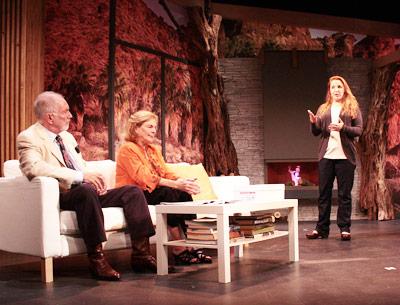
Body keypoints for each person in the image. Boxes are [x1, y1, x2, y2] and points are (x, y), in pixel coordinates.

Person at [16, 91, 157, 281]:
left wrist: (93, 178)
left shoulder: (67, 137)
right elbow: (33, 167)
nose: (70, 115)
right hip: (61, 193)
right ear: (50, 117)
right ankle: (97, 259)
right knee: (85, 190)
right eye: (65, 111)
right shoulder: (29, 137)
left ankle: (142, 255)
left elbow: (79, 165)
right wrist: (81, 177)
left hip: (85, 191)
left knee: (132, 192)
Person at [115, 110, 212, 265]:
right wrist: (175, 184)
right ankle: (178, 248)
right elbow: (143, 177)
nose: (154, 130)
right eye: (150, 127)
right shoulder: (127, 149)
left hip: (153, 191)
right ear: (136, 128)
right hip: (135, 193)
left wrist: (182, 181)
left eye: (155, 127)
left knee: (183, 193)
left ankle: (193, 244)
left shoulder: (153, 150)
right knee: (168, 193)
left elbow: (165, 172)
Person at [306, 76, 363, 241]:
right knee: (323, 194)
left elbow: (359, 130)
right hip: (327, 156)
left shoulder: (352, 107)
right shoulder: (323, 109)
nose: (336, 90)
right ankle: (321, 229)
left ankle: (344, 228)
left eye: (339, 86)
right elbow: (317, 132)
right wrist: (313, 123)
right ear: (329, 90)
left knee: (344, 195)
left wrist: (343, 127)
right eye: (333, 87)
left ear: (344, 89)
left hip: (345, 157)